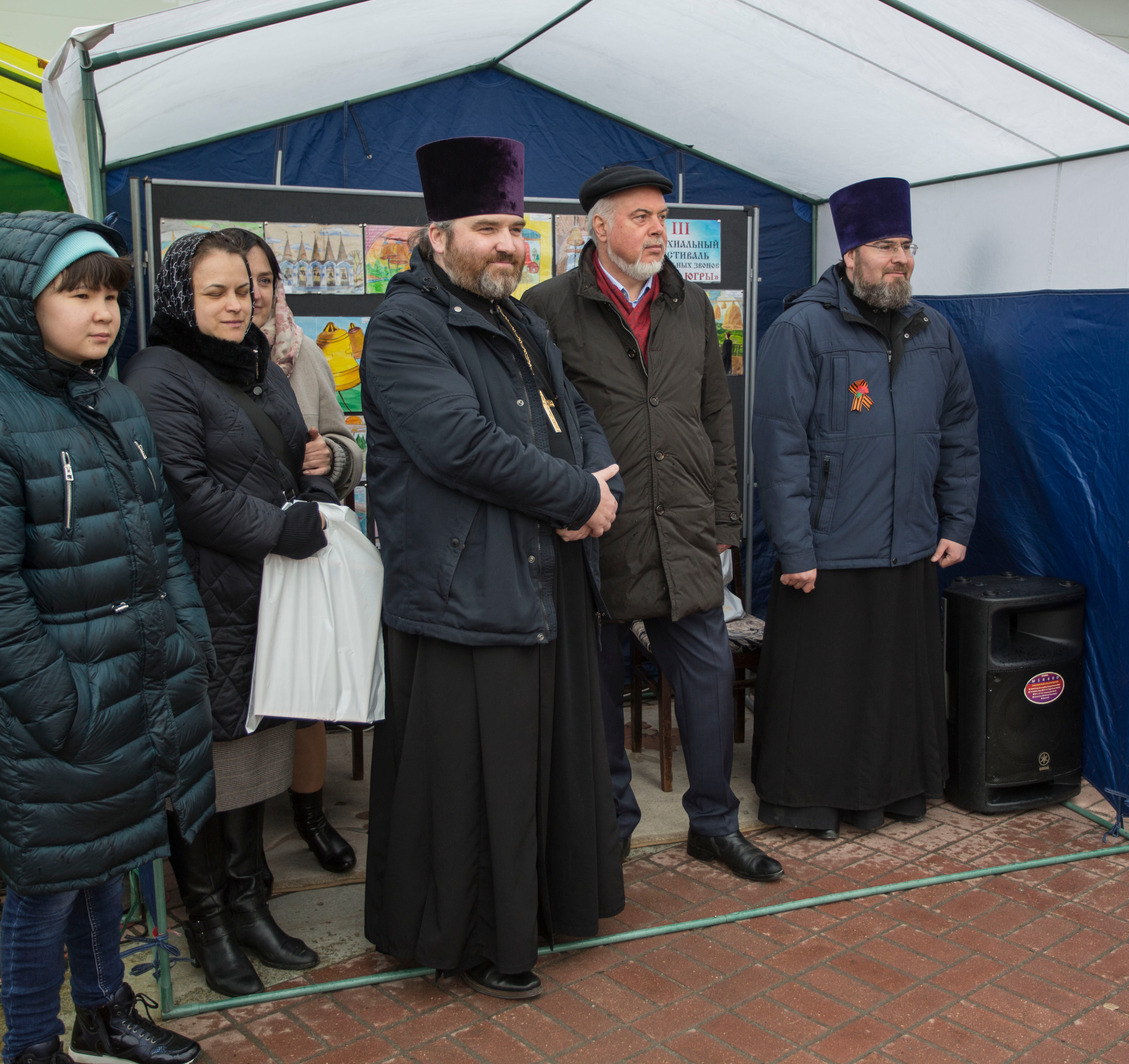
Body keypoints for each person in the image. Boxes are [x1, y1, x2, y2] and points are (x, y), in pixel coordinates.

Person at [0, 211, 210, 1064]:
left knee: (107, 859)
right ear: (20, 302)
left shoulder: (114, 400)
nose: (103, 312)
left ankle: (103, 1014)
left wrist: (186, 639)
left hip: (132, 681)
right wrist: (63, 705)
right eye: (77, 294)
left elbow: (163, 539)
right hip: (58, 704)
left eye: (111, 294)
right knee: (46, 885)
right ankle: (30, 1045)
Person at [362, 137, 624, 1000]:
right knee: (478, 782)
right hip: (464, 594)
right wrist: (578, 496)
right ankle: (478, 943)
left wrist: (600, 476)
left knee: (541, 767)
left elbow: (576, 410)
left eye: (515, 229)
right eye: (487, 229)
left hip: (541, 578)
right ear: (438, 236)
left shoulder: (520, 318)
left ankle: (544, 913)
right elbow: (459, 446)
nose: (507, 245)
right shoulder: (405, 326)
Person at [523, 165, 780, 882]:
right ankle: (612, 827)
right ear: (599, 227)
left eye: (662, 217)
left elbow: (715, 414)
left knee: (707, 676)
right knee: (597, 686)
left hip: (686, 523)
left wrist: (725, 516)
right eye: (641, 217)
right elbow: (538, 424)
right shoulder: (547, 307)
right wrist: (562, 505)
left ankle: (715, 824)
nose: (658, 230)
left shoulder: (690, 304)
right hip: (597, 526)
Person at [123, 231, 332, 997]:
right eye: (215, 292)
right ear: (182, 297)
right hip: (201, 599)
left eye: (245, 290)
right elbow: (183, 490)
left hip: (262, 598)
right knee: (206, 764)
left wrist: (319, 492)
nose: (237, 304)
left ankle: (248, 904)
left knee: (251, 754)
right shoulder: (158, 374)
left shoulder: (257, 364)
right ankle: (208, 922)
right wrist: (280, 528)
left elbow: (296, 456)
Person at [752, 176, 978, 837]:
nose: (900, 259)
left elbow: (960, 433)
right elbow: (780, 447)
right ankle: (809, 802)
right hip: (827, 551)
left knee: (894, 686)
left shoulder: (936, 332)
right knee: (823, 689)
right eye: (885, 246)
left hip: (910, 543)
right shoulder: (801, 329)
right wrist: (795, 547)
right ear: (850, 255)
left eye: (907, 246)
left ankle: (896, 792)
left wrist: (957, 521)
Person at [221, 227, 362, 875]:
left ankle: (311, 814)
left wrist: (331, 455)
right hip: (232, 552)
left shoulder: (302, 354)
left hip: (298, 549)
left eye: (264, 280)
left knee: (302, 690)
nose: (253, 294)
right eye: (238, 282)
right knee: (241, 698)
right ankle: (240, 847)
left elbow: (347, 443)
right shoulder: (193, 363)